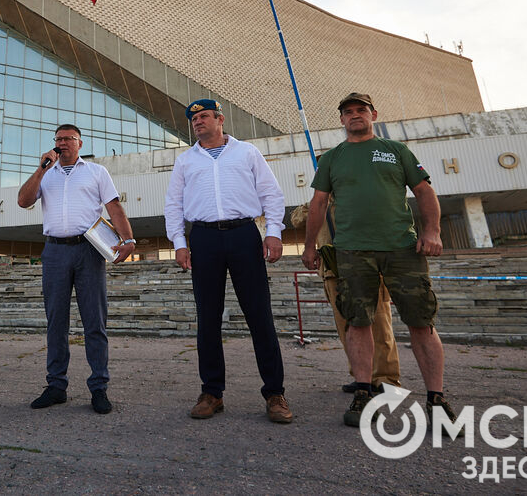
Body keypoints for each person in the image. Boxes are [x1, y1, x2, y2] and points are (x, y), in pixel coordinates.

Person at [302, 92, 456, 428]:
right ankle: (363, 390)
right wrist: (310, 246)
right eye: (348, 112)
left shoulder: (395, 151)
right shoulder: (331, 158)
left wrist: (432, 232)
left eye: (361, 110)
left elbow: (425, 192)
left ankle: (436, 398)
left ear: (373, 114)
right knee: (358, 321)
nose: (355, 115)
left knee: (421, 321)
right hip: (353, 251)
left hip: (402, 248)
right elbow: (318, 204)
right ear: (341, 120)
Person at [163, 99, 293, 424]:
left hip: (244, 235)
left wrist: (274, 232)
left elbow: (271, 194)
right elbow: (173, 204)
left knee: (259, 315)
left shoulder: (247, 152)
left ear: (220, 119)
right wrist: (179, 243)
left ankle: (275, 393)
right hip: (204, 239)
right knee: (207, 318)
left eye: (204, 116)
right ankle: (212, 392)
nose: (197, 121)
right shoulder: (185, 161)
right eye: (193, 118)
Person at [17, 124, 136, 414]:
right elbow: (23, 201)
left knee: (94, 321)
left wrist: (129, 239)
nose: (62, 144)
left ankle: (99, 388)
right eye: (58, 140)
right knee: (56, 321)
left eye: (68, 139)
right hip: (55, 250)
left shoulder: (96, 172)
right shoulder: (47, 174)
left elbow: (114, 207)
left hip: (88, 250)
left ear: (80, 143)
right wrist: (41, 169)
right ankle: (56, 386)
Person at [290, 202, 400, 393]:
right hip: (334, 270)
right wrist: (318, 202)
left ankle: (386, 378)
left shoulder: (357, 194)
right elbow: (296, 220)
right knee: (346, 328)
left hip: (368, 267)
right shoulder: (319, 203)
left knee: (380, 325)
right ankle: (361, 377)